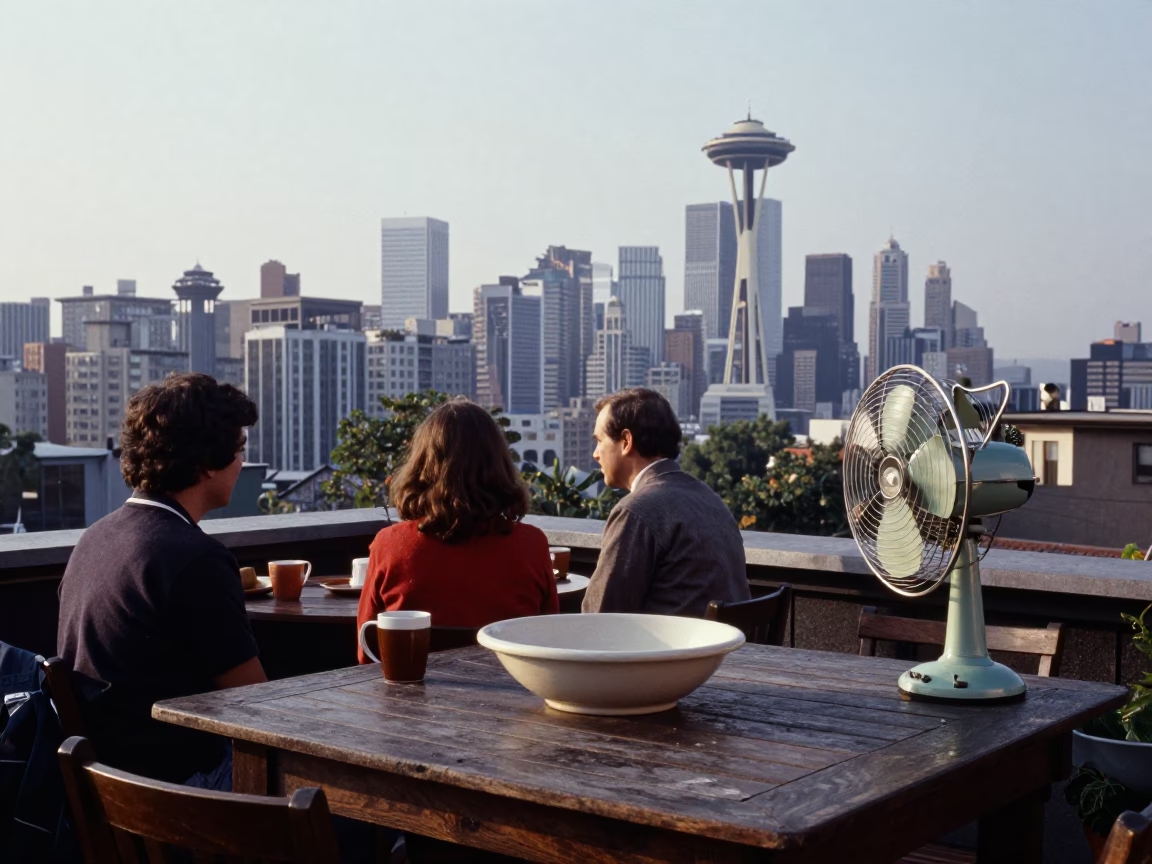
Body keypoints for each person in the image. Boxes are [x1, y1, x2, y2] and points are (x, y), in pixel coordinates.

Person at [57, 373, 264, 787]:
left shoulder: (96, 537)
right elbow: (255, 704)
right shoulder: (196, 560)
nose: (242, 463)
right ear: (208, 463)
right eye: (240, 450)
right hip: (178, 791)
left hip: (111, 786)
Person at [357, 400, 557, 660]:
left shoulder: (389, 545)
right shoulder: (532, 544)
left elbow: (367, 651)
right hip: (510, 693)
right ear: (498, 463)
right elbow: (550, 641)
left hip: (410, 695)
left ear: (422, 465)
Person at [582, 388, 749, 616]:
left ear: (626, 441)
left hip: (672, 650)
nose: (595, 454)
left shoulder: (636, 510)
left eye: (599, 441)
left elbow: (600, 615)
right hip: (726, 648)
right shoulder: (709, 498)